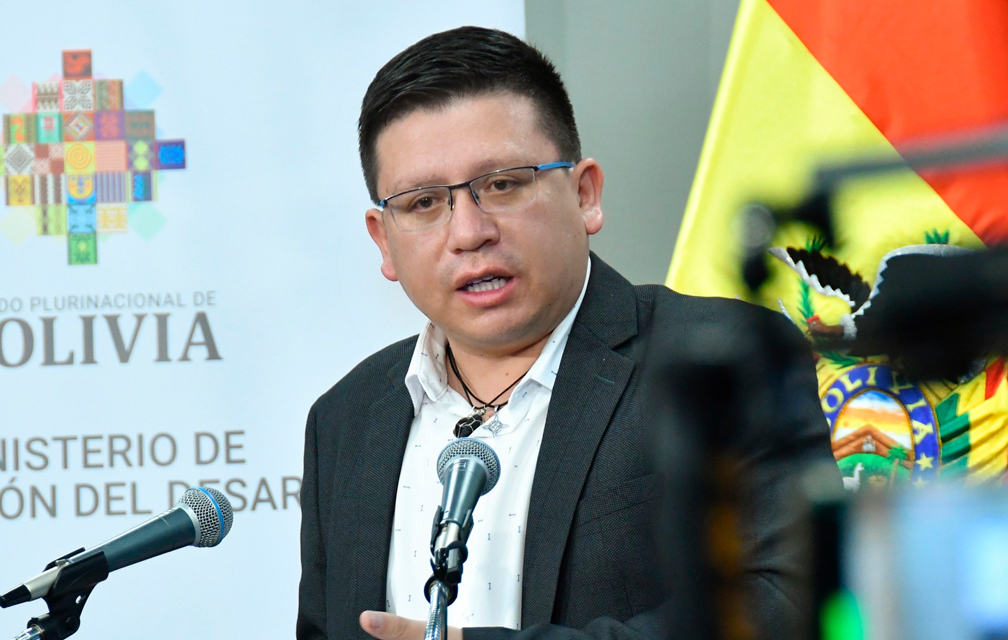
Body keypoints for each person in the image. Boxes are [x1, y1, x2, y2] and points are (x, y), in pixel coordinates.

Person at [297, 26, 834, 640]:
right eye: (423, 202)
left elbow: (783, 601)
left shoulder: (716, 357)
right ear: (383, 240)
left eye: (501, 184)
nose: (468, 232)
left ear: (585, 195)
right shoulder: (345, 420)